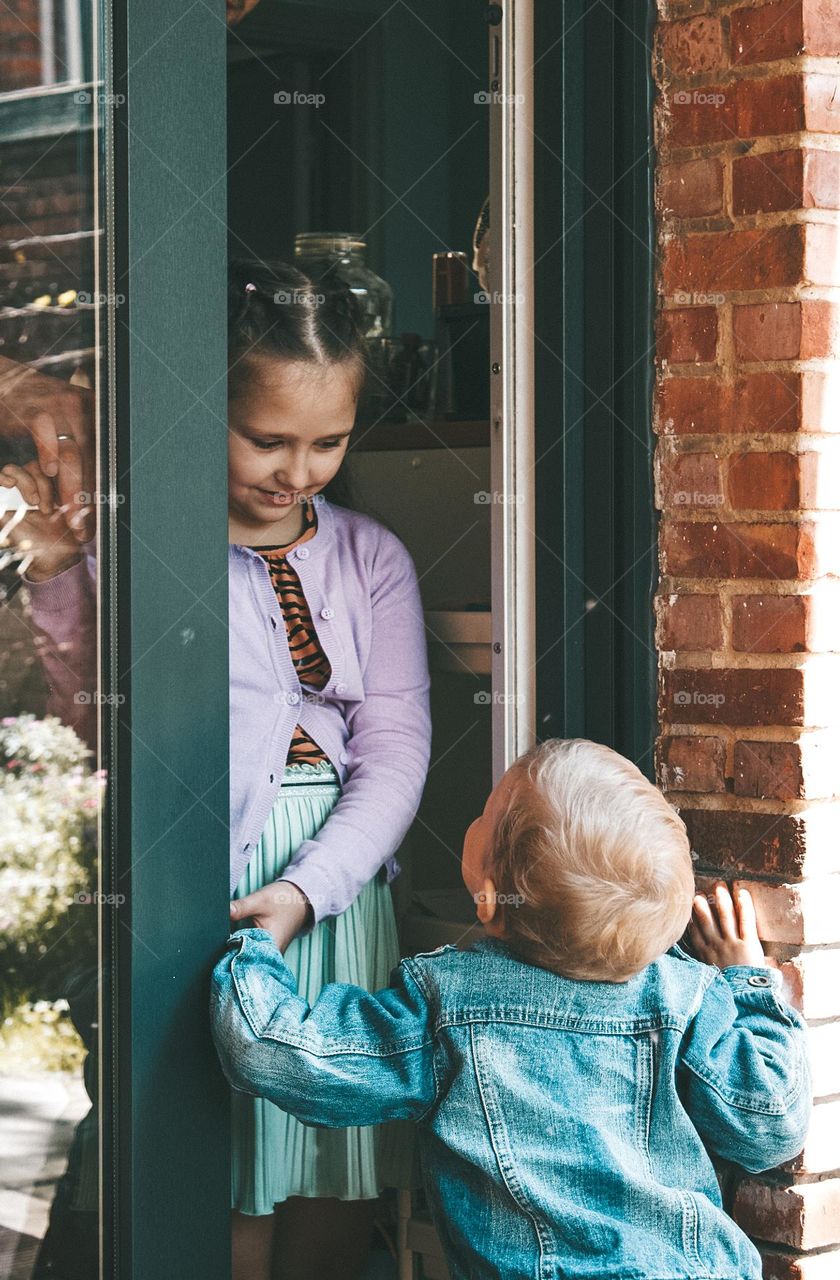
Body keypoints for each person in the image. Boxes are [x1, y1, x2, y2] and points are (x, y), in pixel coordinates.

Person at [2, 259, 433, 1280]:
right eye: (268, 440)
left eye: (328, 441)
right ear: (207, 409)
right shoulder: (149, 551)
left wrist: (307, 889)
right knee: (224, 1174)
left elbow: (397, 749)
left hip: (331, 898)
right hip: (205, 890)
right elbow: (96, 720)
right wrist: (64, 574)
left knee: (333, 1177)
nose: (299, 469)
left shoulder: (372, 558)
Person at [210, 737, 811, 1280]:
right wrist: (747, 978)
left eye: (483, 815)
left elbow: (279, 1051)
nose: (474, 817)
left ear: (489, 899)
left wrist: (249, 947)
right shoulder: (688, 996)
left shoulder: (447, 1008)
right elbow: (771, 1127)